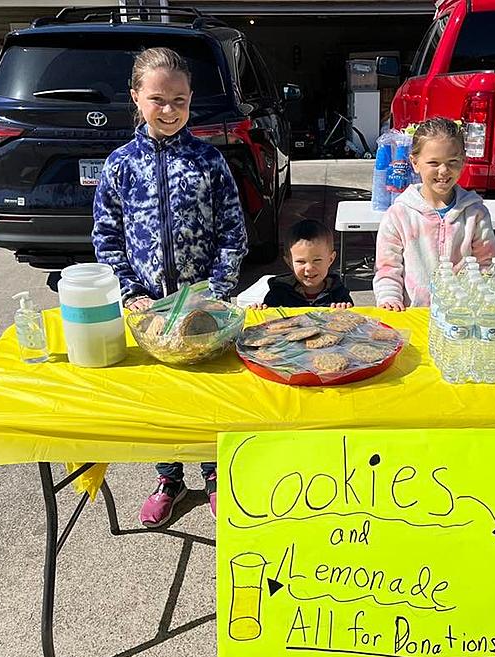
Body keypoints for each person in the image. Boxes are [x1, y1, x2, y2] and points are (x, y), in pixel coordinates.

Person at [92, 47, 247, 526]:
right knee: (162, 397)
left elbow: (233, 231)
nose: (169, 109)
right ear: (136, 97)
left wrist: (217, 290)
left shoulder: (209, 160)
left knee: (206, 393)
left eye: (179, 99)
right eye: (158, 98)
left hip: (204, 308)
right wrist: (130, 293)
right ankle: (169, 476)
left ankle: (215, 472)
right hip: (150, 311)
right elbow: (106, 235)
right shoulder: (120, 165)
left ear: (191, 100)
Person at [373, 117, 495, 310]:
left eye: (452, 161)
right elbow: (388, 269)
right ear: (414, 163)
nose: (443, 170)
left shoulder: (475, 213)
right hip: (414, 316)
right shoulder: (398, 215)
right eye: (433, 162)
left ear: (463, 162)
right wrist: (389, 300)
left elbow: (487, 266)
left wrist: (485, 305)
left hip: (462, 319)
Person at [251, 219, 354, 309]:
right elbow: (268, 323)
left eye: (317, 260)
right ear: (289, 262)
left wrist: (345, 312)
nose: (309, 268)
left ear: (330, 259)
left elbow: (355, 324)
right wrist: (260, 309)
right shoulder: (279, 292)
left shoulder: (339, 294)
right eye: (301, 261)